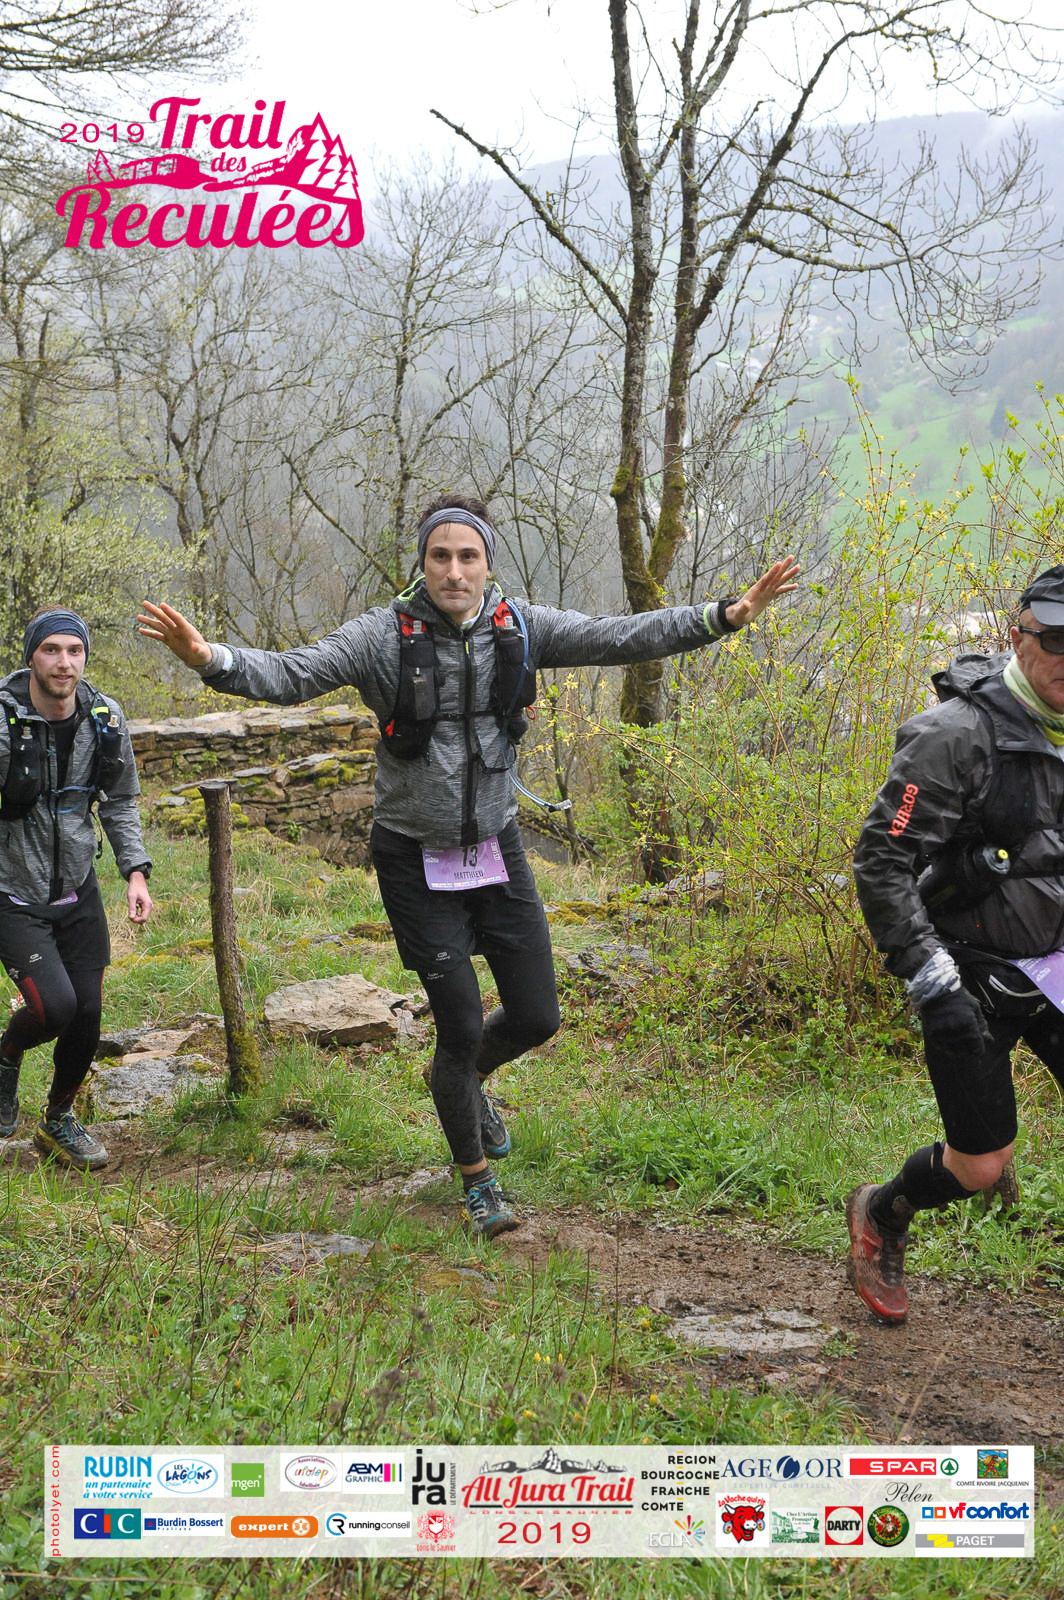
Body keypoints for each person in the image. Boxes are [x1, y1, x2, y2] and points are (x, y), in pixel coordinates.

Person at [139, 496, 798, 1237]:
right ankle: (479, 1184)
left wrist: (724, 616)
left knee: (537, 1015)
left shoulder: (521, 627)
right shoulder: (381, 637)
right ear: (422, 563)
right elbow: (293, 673)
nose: (454, 571)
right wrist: (212, 660)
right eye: (440, 556)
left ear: (487, 563)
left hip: (494, 846)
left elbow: (620, 635)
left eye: (468, 557)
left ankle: (467, 1079)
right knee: (457, 1024)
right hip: (413, 857)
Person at [849, 564, 1064, 1322]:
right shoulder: (953, 737)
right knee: (980, 1163)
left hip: (1057, 963)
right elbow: (883, 863)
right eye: (1057, 640)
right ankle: (884, 1211)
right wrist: (930, 981)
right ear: (1019, 636)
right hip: (971, 968)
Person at [0, 609, 153, 1169]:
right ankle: (6, 1055)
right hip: (12, 892)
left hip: (77, 888)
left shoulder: (105, 719)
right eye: (51, 650)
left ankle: (59, 1120)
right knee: (55, 1007)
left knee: (87, 1013)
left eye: (74, 650)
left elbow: (121, 799)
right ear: (31, 657)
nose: (64, 663)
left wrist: (135, 871)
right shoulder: (4, 724)